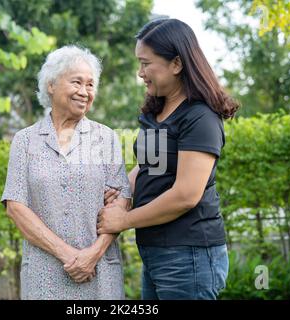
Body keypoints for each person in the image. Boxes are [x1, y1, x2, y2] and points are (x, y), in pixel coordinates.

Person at [97, 19, 240, 300]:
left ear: (176, 64)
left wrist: (123, 220)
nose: (140, 73)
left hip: (189, 256)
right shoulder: (157, 111)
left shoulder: (200, 117)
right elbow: (146, 166)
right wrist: (120, 191)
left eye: (146, 63)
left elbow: (186, 195)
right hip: (156, 252)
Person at [1, 45, 131, 300]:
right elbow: (16, 207)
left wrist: (92, 255)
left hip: (99, 272)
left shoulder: (106, 138)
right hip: (44, 273)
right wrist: (69, 256)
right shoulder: (25, 140)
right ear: (51, 85)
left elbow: (121, 204)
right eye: (77, 82)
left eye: (91, 85)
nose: (85, 92)